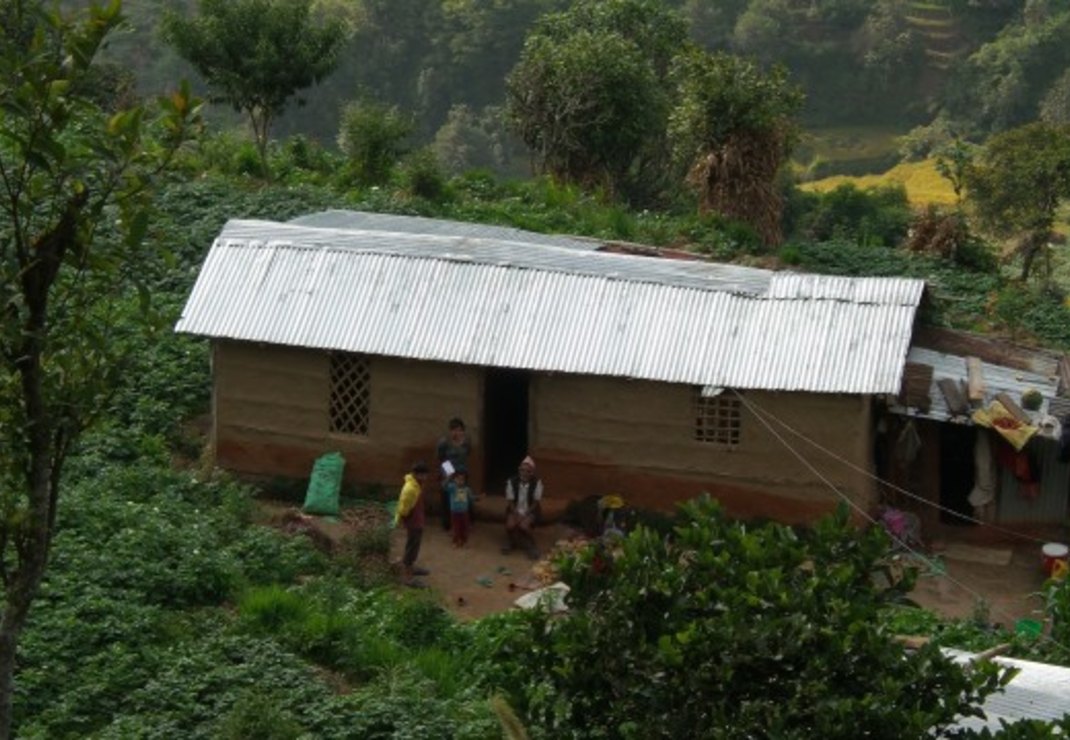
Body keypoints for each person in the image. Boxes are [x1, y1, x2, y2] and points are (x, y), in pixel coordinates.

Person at [394, 461, 431, 586]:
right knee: (412, 545)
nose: (425, 477)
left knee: (415, 544)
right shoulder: (410, 488)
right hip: (413, 521)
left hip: (418, 519)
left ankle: (411, 567)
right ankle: (408, 577)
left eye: (426, 475)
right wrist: (404, 519)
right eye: (422, 475)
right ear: (415, 474)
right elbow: (403, 508)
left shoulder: (417, 484)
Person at [503, 455, 543, 559]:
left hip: (530, 510)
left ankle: (531, 545)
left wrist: (525, 514)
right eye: (522, 470)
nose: (524, 473)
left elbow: (535, 502)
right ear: (519, 470)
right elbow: (510, 501)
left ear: (531, 472)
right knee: (510, 525)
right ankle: (510, 541)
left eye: (527, 471)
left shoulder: (537, 483)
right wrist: (516, 513)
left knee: (523, 526)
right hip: (515, 509)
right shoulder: (511, 481)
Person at [436, 417, 471, 530]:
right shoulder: (444, 443)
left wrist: (460, 474)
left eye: (460, 430)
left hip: (461, 473)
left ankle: (461, 522)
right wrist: (450, 474)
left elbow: (467, 455)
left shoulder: (466, 442)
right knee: (447, 497)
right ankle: (447, 523)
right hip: (448, 472)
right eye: (454, 430)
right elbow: (441, 458)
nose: (457, 433)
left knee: (462, 497)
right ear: (450, 431)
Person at [445, 465, 474, 548]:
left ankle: (464, 541)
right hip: (454, 512)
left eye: (462, 479)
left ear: (465, 480)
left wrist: (478, 498)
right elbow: (444, 485)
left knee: (464, 527)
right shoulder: (452, 488)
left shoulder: (467, 489)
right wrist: (448, 477)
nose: (460, 481)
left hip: (464, 512)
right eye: (458, 479)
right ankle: (456, 541)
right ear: (454, 479)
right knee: (455, 527)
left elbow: (471, 498)